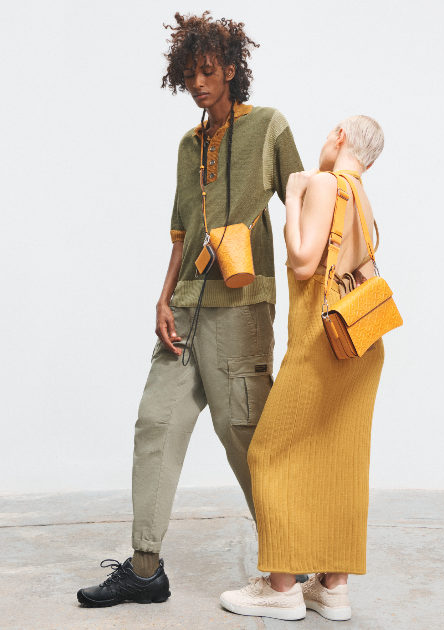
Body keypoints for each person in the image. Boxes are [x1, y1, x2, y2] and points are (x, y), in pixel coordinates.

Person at [77, 12, 304, 608]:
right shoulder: (188, 145)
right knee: (156, 424)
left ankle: (294, 560)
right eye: (189, 74)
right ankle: (144, 570)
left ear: (230, 69)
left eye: (207, 71)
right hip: (186, 307)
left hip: (242, 309)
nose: (198, 83)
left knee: (246, 438)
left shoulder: (270, 126)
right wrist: (163, 297)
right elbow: (181, 234)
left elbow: (303, 205)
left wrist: (319, 279)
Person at [220, 115, 386, 622]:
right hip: (362, 342)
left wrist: (291, 197)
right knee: (340, 460)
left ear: (340, 137)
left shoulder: (324, 184)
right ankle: (333, 588)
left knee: (269, 453)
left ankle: (281, 588)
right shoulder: (362, 197)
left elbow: (304, 261)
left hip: (321, 343)